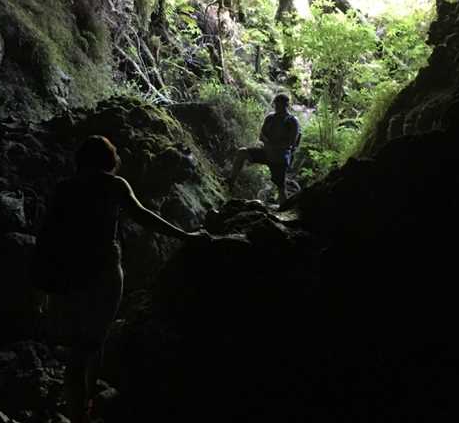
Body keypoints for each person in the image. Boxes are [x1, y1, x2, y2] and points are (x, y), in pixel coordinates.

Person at [32, 135, 207, 423]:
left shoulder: (65, 188)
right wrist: (185, 236)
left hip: (71, 272)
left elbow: (48, 233)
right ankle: (83, 409)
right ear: (109, 159)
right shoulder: (114, 185)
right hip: (104, 274)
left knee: (82, 344)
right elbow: (144, 216)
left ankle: (82, 405)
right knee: (94, 340)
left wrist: (42, 282)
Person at [228, 93, 301, 204]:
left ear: (286, 105)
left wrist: (274, 147)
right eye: (276, 104)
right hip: (266, 152)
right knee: (242, 152)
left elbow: (291, 143)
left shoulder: (292, 121)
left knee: (280, 188)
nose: (277, 107)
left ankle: (284, 213)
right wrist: (267, 143)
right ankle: (230, 182)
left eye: (280, 105)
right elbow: (261, 135)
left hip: (280, 157)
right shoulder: (270, 118)